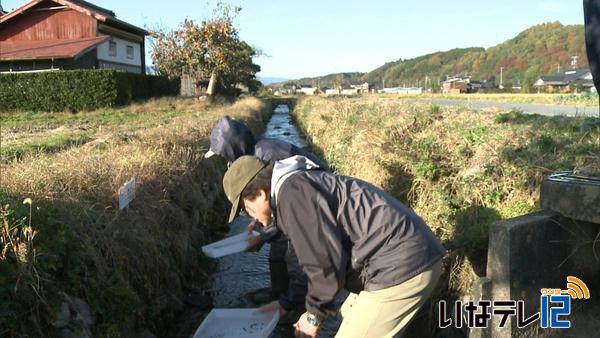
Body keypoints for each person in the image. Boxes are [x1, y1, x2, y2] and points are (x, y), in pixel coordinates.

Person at [222, 155, 445, 338]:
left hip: (401, 264)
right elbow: (309, 264)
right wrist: (286, 304)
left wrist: (313, 316)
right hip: (396, 255)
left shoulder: (293, 197)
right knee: (346, 314)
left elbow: (325, 265)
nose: (249, 217)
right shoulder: (295, 187)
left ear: (260, 193)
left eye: (246, 209)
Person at [204, 115, 329, 311]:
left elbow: (288, 209)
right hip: (296, 207)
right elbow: (271, 203)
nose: (224, 159)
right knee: (277, 255)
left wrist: (263, 237)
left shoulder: (267, 156)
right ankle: (281, 293)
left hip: (314, 204)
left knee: (296, 259)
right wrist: (258, 221)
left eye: (223, 154)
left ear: (232, 149)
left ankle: (299, 308)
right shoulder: (253, 153)